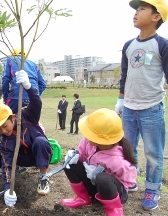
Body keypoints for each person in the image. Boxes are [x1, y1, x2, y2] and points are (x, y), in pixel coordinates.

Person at [115, 0, 168, 211]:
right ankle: (131, 181)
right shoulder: (129, 45)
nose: (136, 13)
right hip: (128, 108)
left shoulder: (162, 44)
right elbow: (124, 75)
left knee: (153, 153)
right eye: (136, 9)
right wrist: (121, 100)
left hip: (151, 107)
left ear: (156, 17)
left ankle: (153, 190)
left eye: (142, 9)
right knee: (128, 150)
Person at [0, 70, 52, 207]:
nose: (3, 131)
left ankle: (43, 178)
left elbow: (37, 103)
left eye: (5, 126)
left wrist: (28, 86)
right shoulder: (5, 141)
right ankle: (19, 169)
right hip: (22, 159)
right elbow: (7, 165)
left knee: (40, 141)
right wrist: (7, 189)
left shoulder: (26, 115)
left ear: (13, 117)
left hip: (39, 154)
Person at [61, 108, 137, 216]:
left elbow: (129, 181)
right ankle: (83, 198)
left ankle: (114, 209)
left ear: (101, 140)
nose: (86, 134)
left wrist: (104, 175)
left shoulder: (117, 160)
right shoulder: (88, 141)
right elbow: (82, 155)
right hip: (95, 187)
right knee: (69, 164)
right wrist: (75, 155)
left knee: (103, 178)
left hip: (112, 193)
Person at [2, 48, 46, 114]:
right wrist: (35, 95)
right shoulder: (33, 64)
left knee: (11, 121)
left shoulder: (10, 60)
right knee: (31, 122)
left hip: (15, 97)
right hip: (32, 99)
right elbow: (43, 84)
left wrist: (6, 98)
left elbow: (5, 80)